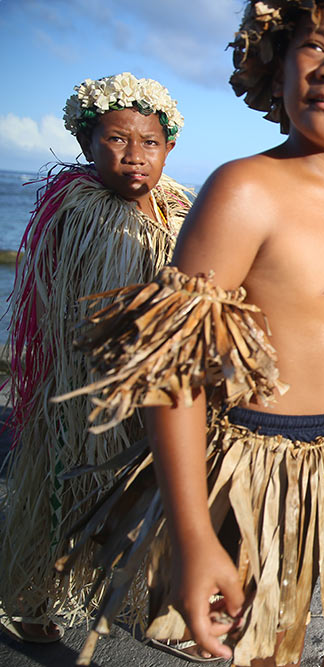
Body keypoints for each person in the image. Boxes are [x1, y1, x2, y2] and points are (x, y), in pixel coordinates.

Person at [49, 2, 324, 666]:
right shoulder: (245, 191)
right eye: (314, 48)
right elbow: (173, 368)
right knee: (270, 646)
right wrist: (196, 538)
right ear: (277, 74)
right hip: (258, 461)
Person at [0, 72, 189, 644]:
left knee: (155, 498)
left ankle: (152, 605)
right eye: (115, 139)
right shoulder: (76, 210)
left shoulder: (180, 208)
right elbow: (59, 307)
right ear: (85, 143)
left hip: (158, 387)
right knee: (66, 499)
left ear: (169, 148)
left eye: (149, 143)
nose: (135, 155)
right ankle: (33, 598)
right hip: (84, 394)